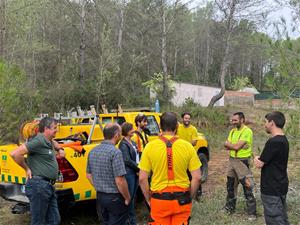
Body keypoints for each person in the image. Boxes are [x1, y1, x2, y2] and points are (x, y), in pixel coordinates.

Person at [139, 112, 201, 225]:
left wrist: (148, 199)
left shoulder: (149, 147)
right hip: (182, 199)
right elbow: (197, 178)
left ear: (160, 126)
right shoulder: (187, 147)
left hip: (159, 200)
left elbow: (142, 178)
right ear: (177, 126)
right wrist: (190, 197)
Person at [10, 117, 65, 225]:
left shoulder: (47, 140)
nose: (57, 130)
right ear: (45, 129)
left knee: (54, 220)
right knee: (38, 222)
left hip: (48, 186)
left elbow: (53, 142)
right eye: (54, 128)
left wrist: (60, 149)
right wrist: (26, 169)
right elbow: (15, 154)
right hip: (39, 186)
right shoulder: (38, 141)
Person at [86, 123, 131, 225]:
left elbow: (88, 175)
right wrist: (128, 197)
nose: (121, 136)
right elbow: (120, 180)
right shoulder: (115, 152)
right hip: (114, 197)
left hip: (100, 197)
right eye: (120, 133)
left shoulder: (93, 151)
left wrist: (100, 186)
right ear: (116, 135)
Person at [254, 111, 290, 225]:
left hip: (271, 187)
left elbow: (260, 164)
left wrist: (256, 159)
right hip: (281, 184)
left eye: (266, 122)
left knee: (274, 219)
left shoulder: (273, 141)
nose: (265, 125)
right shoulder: (284, 140)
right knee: (282, 217)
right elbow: (272, 159)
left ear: (272, 123)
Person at [224, 112, 256, 218]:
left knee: (247, 185)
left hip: (242, 161)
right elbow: (226, 144)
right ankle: (229, 209)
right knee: (230, 185)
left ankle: (252, 213)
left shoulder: (247, 131)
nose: (233, 122)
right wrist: (233, 146)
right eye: (232, 120)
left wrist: (232, 146)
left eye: (235, 120)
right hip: (232, 161)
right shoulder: (233, 131)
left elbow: (236, 147)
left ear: (242, 120)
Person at [119, 122, 140, 225]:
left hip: (134, 172)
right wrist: (138, 168)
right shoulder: (123, 144)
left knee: (133, 196)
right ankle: (129, 220)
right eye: (132, 129)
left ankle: (131, 219)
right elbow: (126, 160)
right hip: (129, 174)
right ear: (127, 131)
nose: (134, 130)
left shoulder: (132, 142)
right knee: (129, 197)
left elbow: (137, 156)